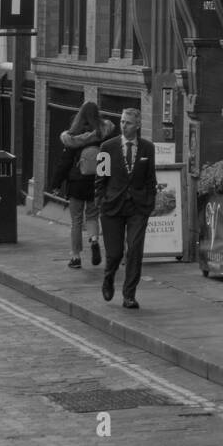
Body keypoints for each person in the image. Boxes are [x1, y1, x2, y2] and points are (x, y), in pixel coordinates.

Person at [96, 107, 159, 310]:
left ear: (138, 125)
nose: (124, 126)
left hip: (138, 208)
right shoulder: (107, 147)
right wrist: (101, 202)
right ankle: (108, 277)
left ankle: (129, 295)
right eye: (122, 122)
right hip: (112, 207)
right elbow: (100, 179)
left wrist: (149, 203)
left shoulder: (148, 148)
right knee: (114, 254)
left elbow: (150, 179)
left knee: (134, 250)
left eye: (128, 122)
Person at [58, 101, 115, 270]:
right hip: (96, 182)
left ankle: (76, 258)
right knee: (92, 215)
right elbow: (109, 158)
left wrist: (56, 183)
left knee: (76, 221)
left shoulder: (73, 136)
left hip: (77, 183)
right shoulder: (104, 134)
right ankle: (95, 240)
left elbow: (65, 163)